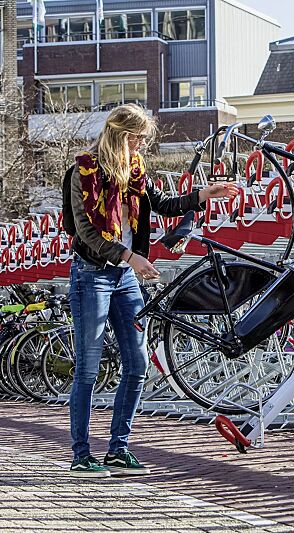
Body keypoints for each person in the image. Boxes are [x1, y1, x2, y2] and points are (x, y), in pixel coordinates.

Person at [67, 104, 237, 477]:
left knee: (138, 365)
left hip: (125, 276)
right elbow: (86, 234)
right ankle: (81, 454)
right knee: (88, 369)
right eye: (138, 138)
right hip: (92, 274)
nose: (142, 145)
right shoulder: (83, 173)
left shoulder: (136, 171)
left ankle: (118, 449)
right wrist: (130, 257)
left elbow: (160, 204)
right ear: (121, 136)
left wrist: (203, 195)